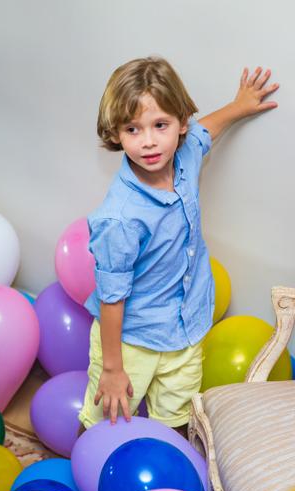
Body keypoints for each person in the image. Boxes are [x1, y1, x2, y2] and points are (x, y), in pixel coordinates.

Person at [78, 57, 279, 437]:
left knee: (175, 424)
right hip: (132, 339)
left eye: (160, 125)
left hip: (186, 329)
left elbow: (207, 130)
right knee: (104, 420)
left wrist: (240, 105)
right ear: (116, 133)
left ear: (180, 123)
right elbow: (112, 297)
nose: (149, 141)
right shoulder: (119, 218)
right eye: (133, 129)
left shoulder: (184, 154)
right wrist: (113, 369)